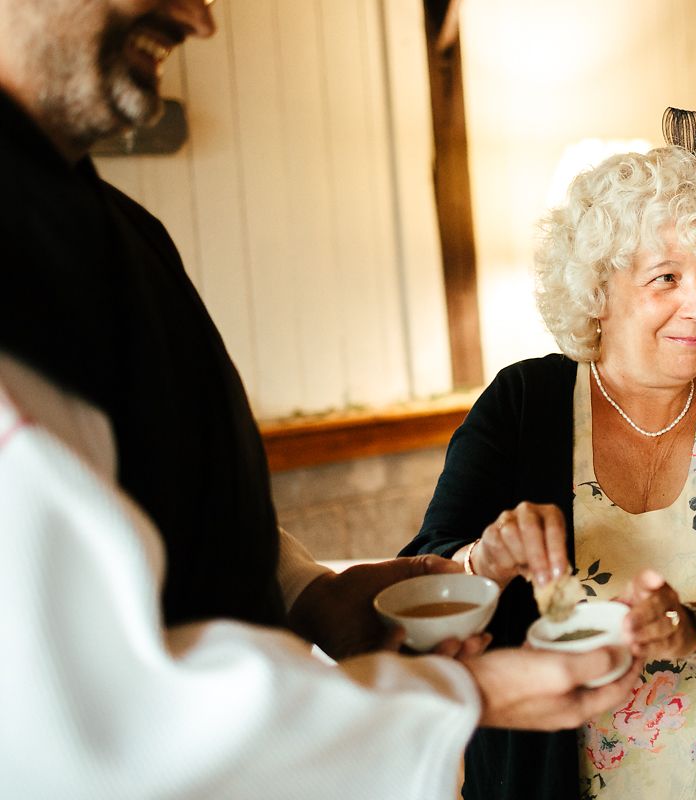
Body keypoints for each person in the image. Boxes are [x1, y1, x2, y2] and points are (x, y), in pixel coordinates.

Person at [0, 1, 639, 795]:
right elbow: (102, 720)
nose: (200, 19)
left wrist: (313, 596)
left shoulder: (115, 226)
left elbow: (156, 492)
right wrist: (468, 696)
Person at [403, 108, 696, 800]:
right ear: (598, 291)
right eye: (665, 277)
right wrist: (485, 558)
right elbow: (420, 583)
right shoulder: (524, 404)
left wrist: (689, 630)